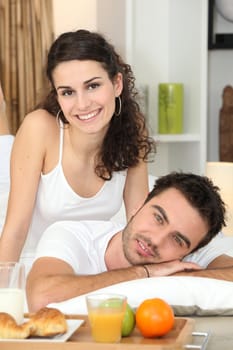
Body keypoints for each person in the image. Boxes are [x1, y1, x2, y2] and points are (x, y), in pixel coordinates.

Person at [0, 30, 156, 271]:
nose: (82, 104)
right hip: (35, 266)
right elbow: (15, 230)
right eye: (68, 92)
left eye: (92, 86)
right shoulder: (39, 128)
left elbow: (138, 225)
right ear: (57, 96)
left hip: (93, 269)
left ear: (116, 84)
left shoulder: (133, 131)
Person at [26, 172, 233, 312]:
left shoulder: (194, 255)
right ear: (139, 205)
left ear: (189, 252)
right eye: (158, 218)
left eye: (177, 239)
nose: (156, 240)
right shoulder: (71, 234)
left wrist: (175, 275)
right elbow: (42, 298)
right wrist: (144, 274)